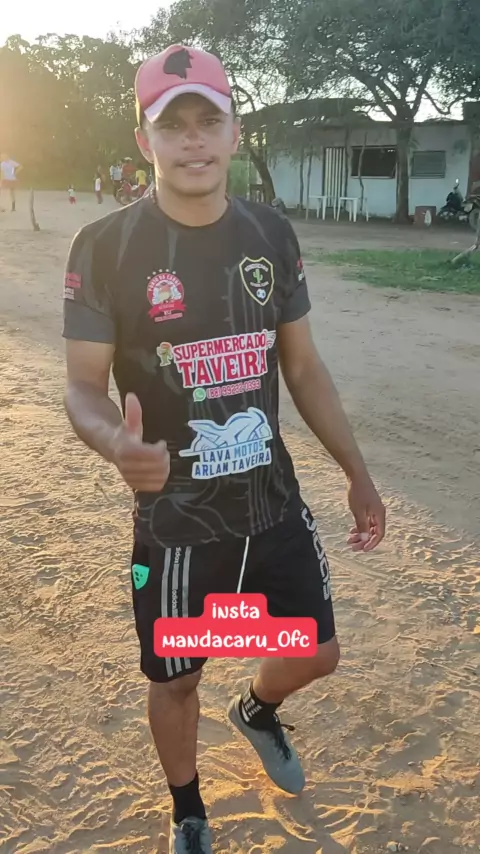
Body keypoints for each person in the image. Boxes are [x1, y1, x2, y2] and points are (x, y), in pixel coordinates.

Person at [62, 44, 386, 854]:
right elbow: (82, 387)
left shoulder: (269, 233)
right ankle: (189, 813)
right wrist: (112, 441)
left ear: (235, 132)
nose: (193, 141)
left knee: (315, 650)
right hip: (175, 522)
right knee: (178, 677)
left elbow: (302, 368)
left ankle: (257, 709)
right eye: (173, 125)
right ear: (144, 141)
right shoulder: (106, 248)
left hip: (269, 503)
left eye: (209, 121)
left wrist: (356, 472)